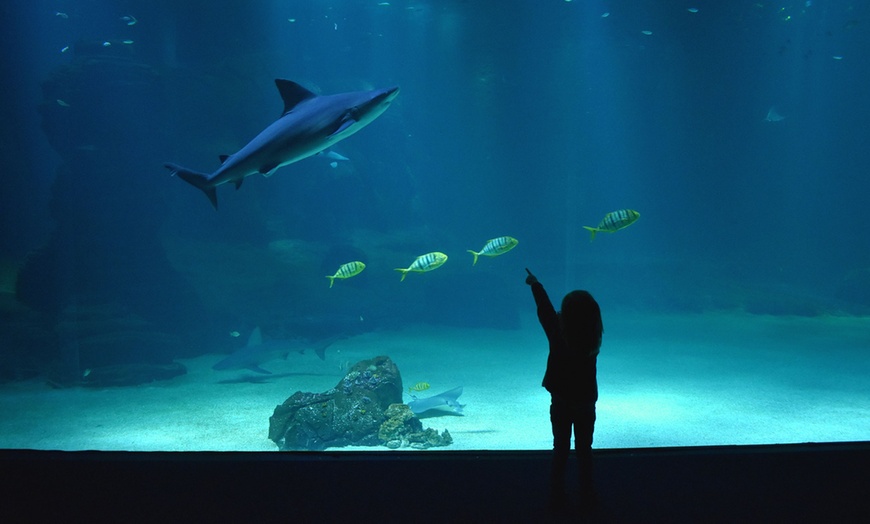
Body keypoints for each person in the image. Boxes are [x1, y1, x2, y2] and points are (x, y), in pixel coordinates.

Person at [525, 268, 603, 511]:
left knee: (560, 447)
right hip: (586, 402)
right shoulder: (593, 337)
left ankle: (556, 491)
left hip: (560, 400)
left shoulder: (558, 334)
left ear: (565, 316)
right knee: (584, 448)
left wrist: (535, 285)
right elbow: (554, 314)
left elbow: (545, 312)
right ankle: (587, 491)